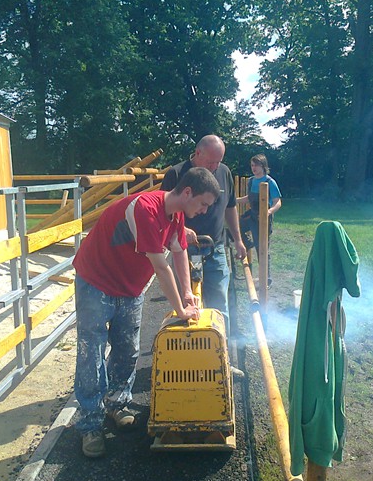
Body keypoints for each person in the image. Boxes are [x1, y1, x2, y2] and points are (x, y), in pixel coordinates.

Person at [73, 167, 220, 458]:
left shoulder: (176, 215)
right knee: (92, 353)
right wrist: (180, 309)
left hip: (129, 286)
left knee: (127, 349)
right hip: (96, 281)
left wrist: (188, 293)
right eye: (203, 203)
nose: (204, 211)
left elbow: (179, 251)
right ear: (187, 192)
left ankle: (117, 404)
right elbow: (161, 267)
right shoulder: (146, 209)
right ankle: (90, 424)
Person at [161, 135, 247, 349]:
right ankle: (188, 353)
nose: (215, 167)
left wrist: (237, 239)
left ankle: (221, 354)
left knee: (219, 305)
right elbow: (163, 209)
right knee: (186, 303)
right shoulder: (176, 174)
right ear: (197, 153)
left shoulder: (224, 172)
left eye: (218, 162)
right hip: (184, 250)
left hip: (215, 248)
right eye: (211, 162)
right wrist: (181, 228)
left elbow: (230, 207)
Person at [237, 154, 282, 285]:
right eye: (252, 165)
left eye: (256, 165)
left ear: (263, 166)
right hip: (252, 215)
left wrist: (269, 211)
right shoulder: (251, 181)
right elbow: (249, 198)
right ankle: (248, 243)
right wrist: (235, 200)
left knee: (261, 248)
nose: (254, 168)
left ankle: (266, 278)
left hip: (264, 219)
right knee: (235, 226)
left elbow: (278, 202)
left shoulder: (270, 182)